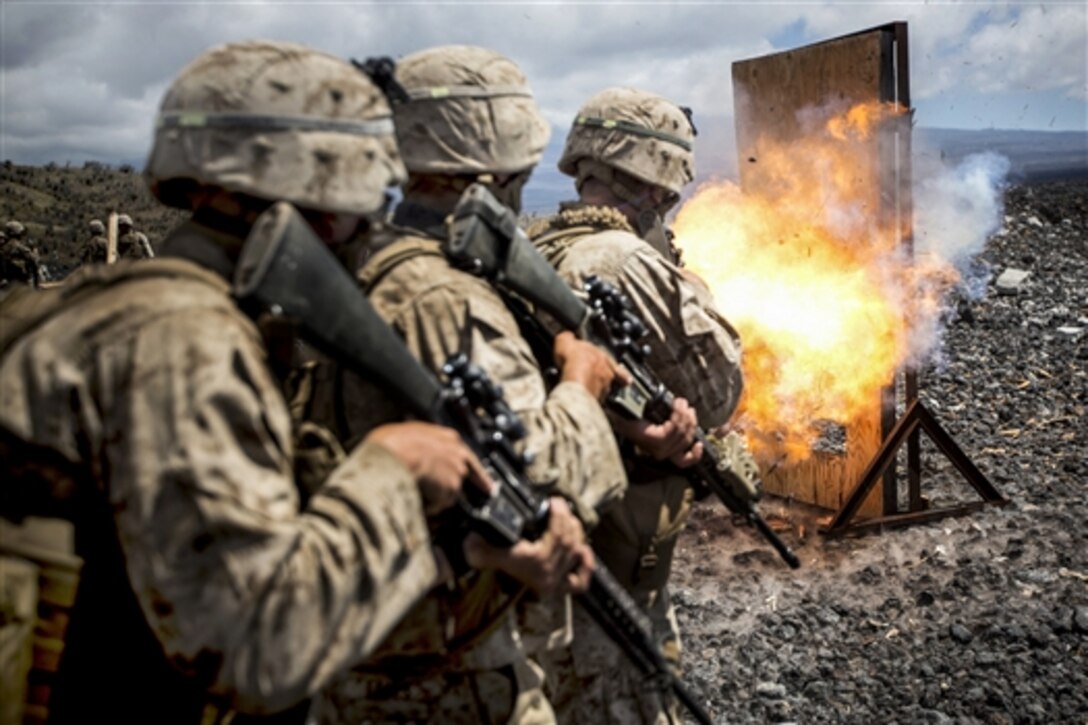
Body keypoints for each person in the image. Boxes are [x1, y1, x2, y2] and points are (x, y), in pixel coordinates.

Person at [0, 39, 489, 723]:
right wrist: (393, 468)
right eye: (363, 208)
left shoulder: (96, 305)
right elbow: (258, 653)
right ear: (326, 210)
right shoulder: (183, 339)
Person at [307, 45, 627, 725]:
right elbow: (534, 478)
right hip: (450, 678)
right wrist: (580, 383)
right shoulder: (446, 297)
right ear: (496, 169)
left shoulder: (360, 260)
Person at [527, 87, 745, 724]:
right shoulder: (621, 260)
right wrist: (686, 284)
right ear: (657, 184)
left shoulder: (542, 242)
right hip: (612, 555)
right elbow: (719, 392)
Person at [0, 220, 41, 287]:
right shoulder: (18, 247)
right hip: (21, 282)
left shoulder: (4, 247)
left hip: (7, 281)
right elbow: (34, 260)